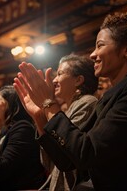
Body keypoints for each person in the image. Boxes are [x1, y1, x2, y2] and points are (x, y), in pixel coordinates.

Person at [14, 11, 127, 190]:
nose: (93, 54)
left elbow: (87, 154)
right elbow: (67, 161)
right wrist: (40, 116)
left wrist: (50, 104)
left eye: (100, 46)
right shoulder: (111, 95)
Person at [41, 54, 99, 191]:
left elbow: (67, 157)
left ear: (78, 80)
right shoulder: (67, 110)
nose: (54, 80)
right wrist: (39, 115)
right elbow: (49, 162)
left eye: (60, 74)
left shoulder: (88, 102)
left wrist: (47, 102)